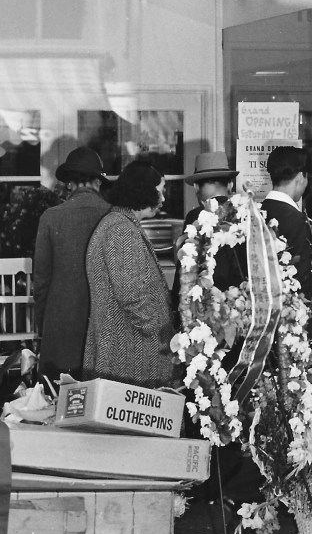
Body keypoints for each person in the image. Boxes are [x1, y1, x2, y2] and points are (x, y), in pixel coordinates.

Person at [83, 161, 178, 388]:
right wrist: (159, 333)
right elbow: (131, 295)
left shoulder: (117, 223)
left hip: (124, 351)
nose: (163, 199)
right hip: (129, 353)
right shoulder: (122, 229)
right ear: (144, 190)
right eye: (160, 190)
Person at [33, 147, 110, 381]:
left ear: (69, 183)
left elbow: (41, 281)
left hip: (61, 324)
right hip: (103, 329)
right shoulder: (114, 215)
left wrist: (41, 327)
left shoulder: (50, 217)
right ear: (98, 182)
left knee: (58, 396)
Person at [172, 152, 246, 308]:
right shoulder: (247, 214)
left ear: (196, 187)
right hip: (244, 305)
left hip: (206, 308)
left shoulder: (196, 217)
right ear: (230, 184)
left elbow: (186, 268)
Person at [261, 146, 312, 299]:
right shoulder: (299, 221)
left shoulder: (256, 213)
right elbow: (303, 282)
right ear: (301, 177)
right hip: (291, 307)